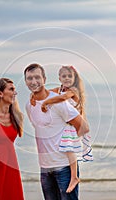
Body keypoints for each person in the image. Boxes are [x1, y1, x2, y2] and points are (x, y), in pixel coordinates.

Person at [24, 63, 89, 200]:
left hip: (64, 167)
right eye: (29, 78)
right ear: (25, 81)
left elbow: (84, 127)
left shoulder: (59, 102)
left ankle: (74, 177)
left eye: (37, 77)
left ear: (44, 79)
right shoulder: (29, 105)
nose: (33, 81)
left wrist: (70, 139)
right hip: (45, 169)